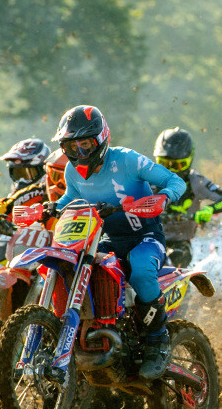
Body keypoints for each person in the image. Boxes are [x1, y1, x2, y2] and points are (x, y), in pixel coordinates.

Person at [48, 106, 187, 379]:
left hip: (145, 236)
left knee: (142, 269)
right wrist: (50, 207)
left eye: (85, 144)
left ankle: (158, 341)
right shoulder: (72, 172)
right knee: (71, 265)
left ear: (101, 139)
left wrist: (164, 197)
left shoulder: (127, 160)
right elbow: (70, 199)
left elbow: (174, 180)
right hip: (106, 239)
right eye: (71, 146)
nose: (79, 152)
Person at [152, 127, 222, 267]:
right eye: (164, 164)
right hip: (150, 239)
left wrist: (209, 209)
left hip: (181, 243)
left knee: (176, 260)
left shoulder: (196, 181)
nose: (170, 170)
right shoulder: (148, 179)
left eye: (177, 165)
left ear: (189, 161)